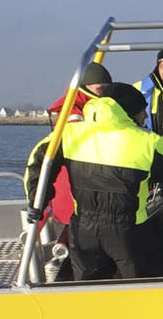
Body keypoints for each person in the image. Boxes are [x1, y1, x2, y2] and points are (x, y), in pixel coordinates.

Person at [36, 82, 163, 280]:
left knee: (86, 290)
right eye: (142, 111)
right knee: (142, 286)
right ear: (129, 113)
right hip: (128, 233)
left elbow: (37, 162)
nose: (145, 116)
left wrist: (38, 201)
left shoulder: (70, 134)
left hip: (83, 230)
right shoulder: (146, 142)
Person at [25, 61, 115, 225]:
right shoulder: (74, 115)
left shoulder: (100, 107)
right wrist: (36, 198)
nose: (104, 95)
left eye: (106, 90)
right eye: (100, 90)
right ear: (85, 88)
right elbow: (43, 156)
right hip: (74, 188)